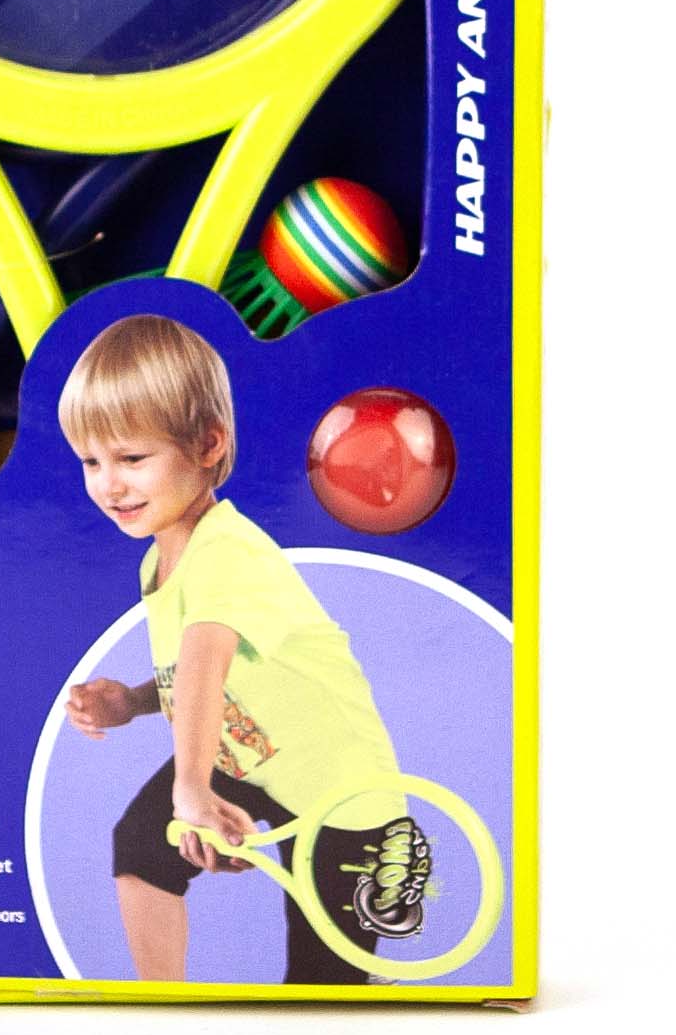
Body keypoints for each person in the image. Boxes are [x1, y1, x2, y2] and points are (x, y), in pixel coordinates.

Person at [59, 313, 422, 984]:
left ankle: (353, 997)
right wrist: (133, 702)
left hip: (336, 788)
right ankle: (161, 1004)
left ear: (207, 444)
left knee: (323, 979)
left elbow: (204, 663)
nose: (109, 483)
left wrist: (192, 789)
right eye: (91, 461)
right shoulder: (161, 559)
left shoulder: (227, 551)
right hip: (249, 759)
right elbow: (199, 675)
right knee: (141, 846)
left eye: (132, 459)